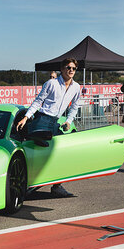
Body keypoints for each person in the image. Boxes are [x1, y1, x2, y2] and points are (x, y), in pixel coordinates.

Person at [17, 58, 81, 198]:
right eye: (68, 67)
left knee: (63, 152)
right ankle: (29, 184)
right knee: (38, 152)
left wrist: (69, 121)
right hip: (43, 119)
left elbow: (75, 106)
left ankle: (57, 186)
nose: (71, 70)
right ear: (62, 69)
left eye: (73, 68)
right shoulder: (51, 83)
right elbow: (38, 101)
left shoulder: (76, 87)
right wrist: (26, 117)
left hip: (56, 122)